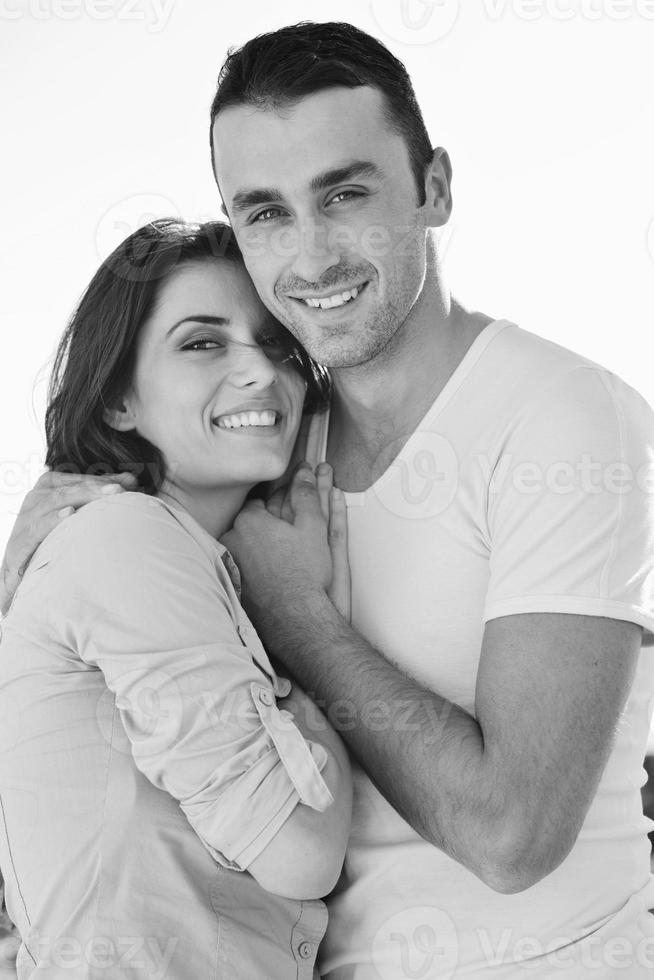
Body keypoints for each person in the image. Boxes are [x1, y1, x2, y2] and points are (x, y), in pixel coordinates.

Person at [3, 19, 654, 979]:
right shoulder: (268, 453)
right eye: (264, 211)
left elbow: (513, 835)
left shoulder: (557, 417)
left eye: (345, 194)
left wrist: (299, 616)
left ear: (434, 188)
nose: (310, 256)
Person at [0, 217, 353, 980]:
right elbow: (301, 850)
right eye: (202, 342)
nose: (262, 372)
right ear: (120, 400)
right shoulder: (127, 540)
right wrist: (299, 613)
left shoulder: (174, 559)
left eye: (278, 342)